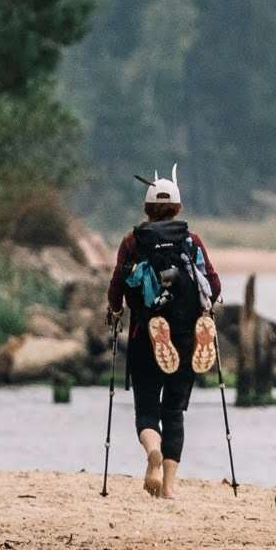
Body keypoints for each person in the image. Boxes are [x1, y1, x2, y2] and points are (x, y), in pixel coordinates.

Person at [107, 169, 220, 500]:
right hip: (185, 335)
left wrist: (115, 313)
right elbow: (212, 284)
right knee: (173, 410)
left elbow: (116, 286)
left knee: (146, 409)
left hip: (146, 331)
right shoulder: (191, 242)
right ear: (179, 208)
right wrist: (207, 310)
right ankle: (169, 488)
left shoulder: (132, 242)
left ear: (146, 210)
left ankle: (152, 452)